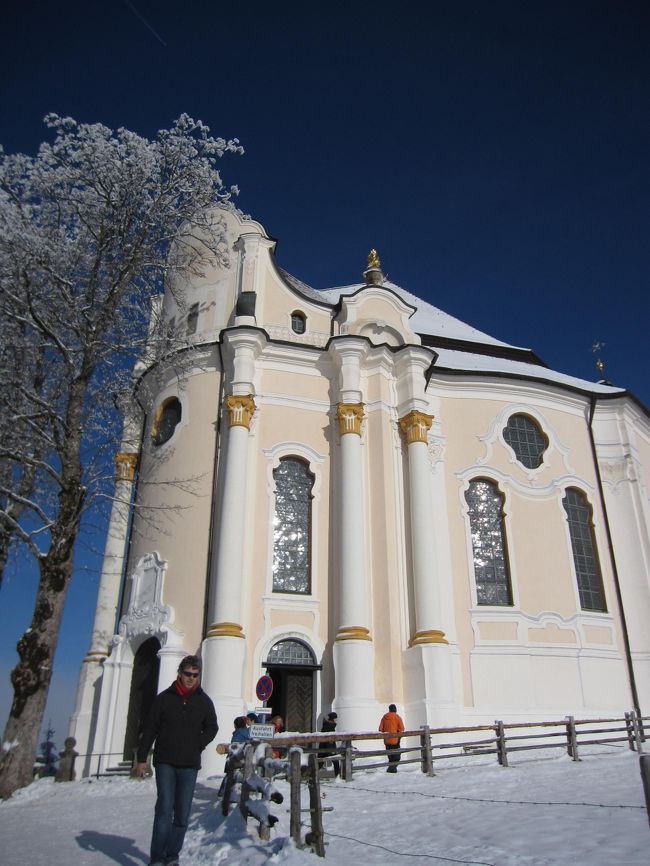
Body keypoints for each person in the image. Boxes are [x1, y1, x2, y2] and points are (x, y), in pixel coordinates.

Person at [134, 655, 218, 866]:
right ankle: (157, 859)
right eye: (188, 674)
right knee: (164, 810)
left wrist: (198, 743)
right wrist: (142, 758)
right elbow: (150, 728)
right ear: (179, 674)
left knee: (182, 814)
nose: (191, 678)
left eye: (195, 675)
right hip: (165, 762)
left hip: (189, 763)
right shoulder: (164, 699)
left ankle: (172, 856)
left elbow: (212, 727)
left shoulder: (204, 700)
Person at [379, 703, 404, 773]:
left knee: (390, 756)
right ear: (395, 710)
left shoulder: (384, 717)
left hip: (387, 741)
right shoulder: (397, 717)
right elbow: (402, 728)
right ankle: (392, 769)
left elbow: (380, 729)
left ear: (389, 710)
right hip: (396, 740)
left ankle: (391, 769)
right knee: (397, 756)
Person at [319, 711, 340, 777]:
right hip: (328, 747)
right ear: (333, 719)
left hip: (325, 747)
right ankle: (338, 777)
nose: (336, 720)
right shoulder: (329, 726)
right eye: (335, 718)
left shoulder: (329, 725)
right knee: (335, 761)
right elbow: (328, 737)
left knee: (320, 762)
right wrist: (331, 749)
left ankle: (311, 775)